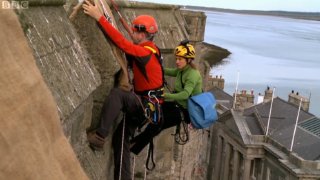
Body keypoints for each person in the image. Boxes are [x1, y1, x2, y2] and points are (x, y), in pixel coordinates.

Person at [82, 1, 164, 179]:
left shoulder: (144, 53)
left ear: (142, 34)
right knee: (121, 140)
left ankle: (99, 137)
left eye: (135, 31)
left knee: (118, 95)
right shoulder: (151, 49)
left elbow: (123, 44)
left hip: (143, 105)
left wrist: (99, 18)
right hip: (149, 108)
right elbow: (128, 44)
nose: (132, 32)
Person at [130, 40, 202, 155]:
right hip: (178, 105)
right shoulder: (182, 70)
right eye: (176, 59)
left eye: (180, 59)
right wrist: (155, 68)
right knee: (154, 110)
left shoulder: (192, 74)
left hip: (185, 111)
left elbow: (185, 94)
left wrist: (164, 95)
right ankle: (134, 131)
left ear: (188, 60)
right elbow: (171, 71)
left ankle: (133, 148)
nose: (177, 62)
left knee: (157, 124)